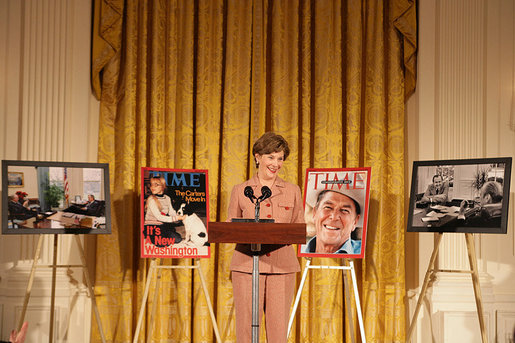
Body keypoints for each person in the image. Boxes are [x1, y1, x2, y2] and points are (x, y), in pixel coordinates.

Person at [227, 132, 304, 343]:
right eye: (271, 157)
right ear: (257, 157)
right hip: (246, 266)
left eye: (280, 159)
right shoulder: (241, 190)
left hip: (282, 268)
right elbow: (231, 227)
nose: (276, 163)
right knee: (245, 328)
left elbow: (299, 228)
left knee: (278, 330)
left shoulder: (292, 190)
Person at [303, 189, 362, 254]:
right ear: (315, 213)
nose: (334, 217)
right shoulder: (295, 252)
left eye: (345, 210)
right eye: (328, 207)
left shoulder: (367, 253)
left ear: (355, 221)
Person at [144, 175, 183, 244]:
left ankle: (164, 234)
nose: (152, 187)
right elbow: (159, 217)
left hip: (162, 225)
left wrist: (179, 217)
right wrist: (175, 218)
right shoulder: (151, 199)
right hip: (151, 226)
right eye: (151, 185)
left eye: (156, 185)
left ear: (163, 186)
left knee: (178, 238)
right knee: (162, 243)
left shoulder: (167, 198)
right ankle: (149, 235)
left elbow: (171, 212)